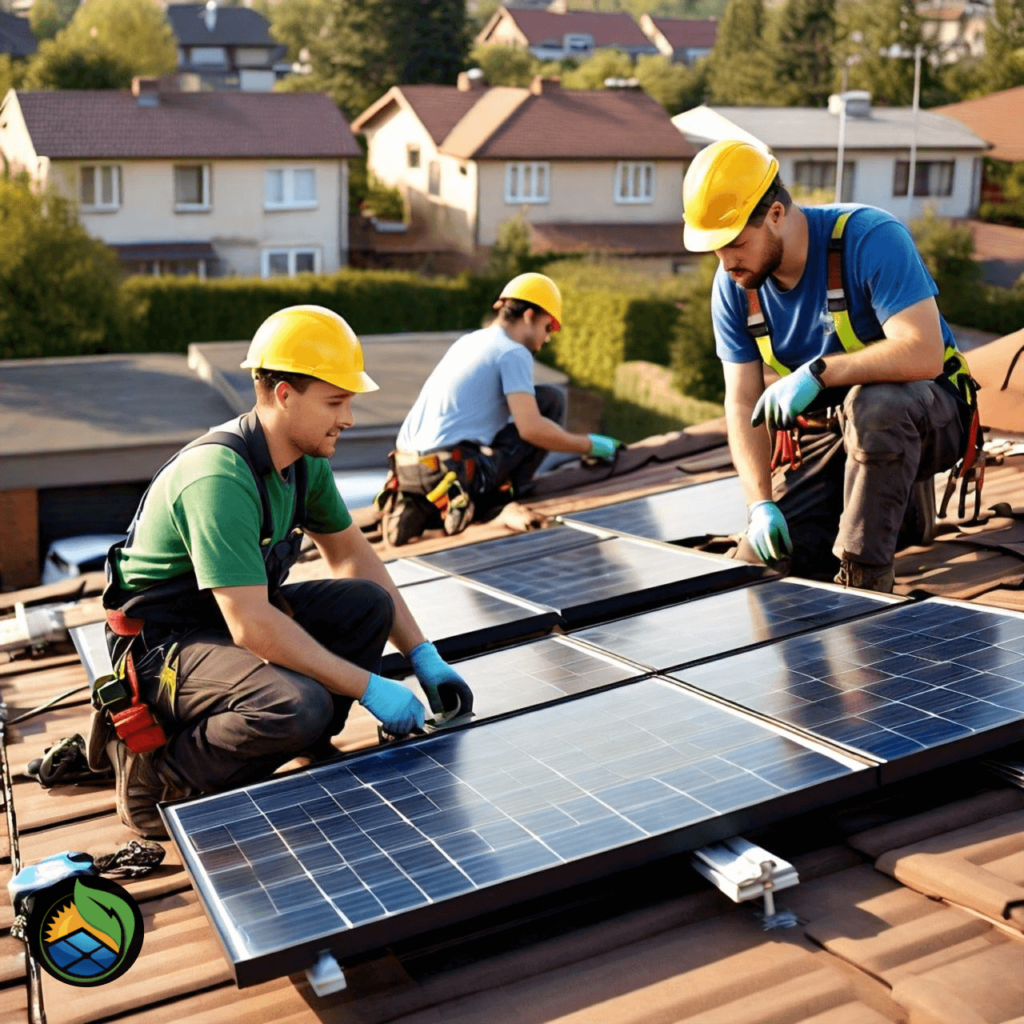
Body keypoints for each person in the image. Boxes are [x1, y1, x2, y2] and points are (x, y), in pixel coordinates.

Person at [95, 305, 474, 838]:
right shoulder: (218, 477)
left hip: (222, 627)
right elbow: (252, 626)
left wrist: (422, 654)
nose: (349, 419)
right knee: (296, 704)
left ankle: (302, 737)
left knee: (368, 605)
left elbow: (352, 557)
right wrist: (369, 686)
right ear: (283, 394)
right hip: (165, 649)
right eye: (336, 402)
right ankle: (160, 781)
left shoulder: (303, 463)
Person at [681, 140, 979, 592]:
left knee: (877, 404)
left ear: (776, 215)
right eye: (716, 249)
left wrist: (818, 372)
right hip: (832, 433)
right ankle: (901, 514)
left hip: (928, 414)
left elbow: (923, 352)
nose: (726, 263)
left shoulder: (869, 237)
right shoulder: (735, 288)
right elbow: (741, 401)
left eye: (736, 243)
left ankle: (865, 580)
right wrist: (760, 505)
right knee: (758, 565)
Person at [382, 272, 622, 546]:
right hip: (451, 468)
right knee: (551, 400)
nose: (546, 340)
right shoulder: (513, 352)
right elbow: (531, 429)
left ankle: (423, 506)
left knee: (531, 404)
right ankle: (503, 496)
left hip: (405, 471)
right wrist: (590, 445)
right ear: (530, 315)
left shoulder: (469, 341)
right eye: (547, 328)